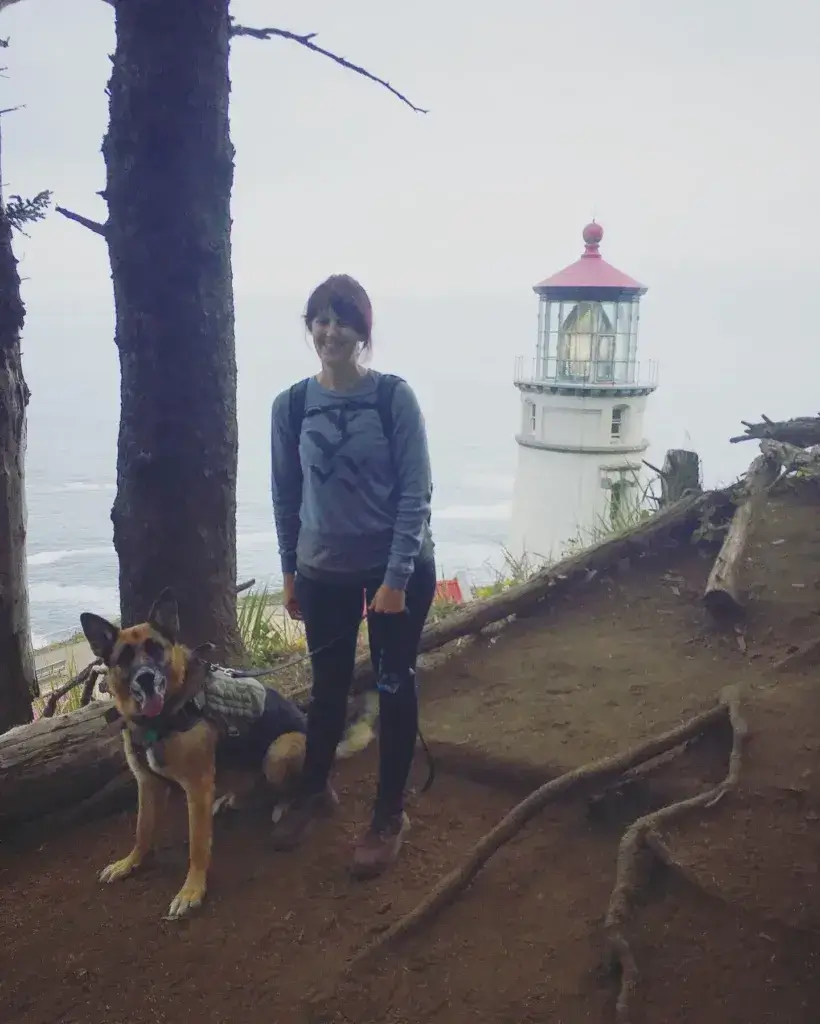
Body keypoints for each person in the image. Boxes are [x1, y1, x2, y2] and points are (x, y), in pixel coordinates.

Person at [269, 273, 436, 879]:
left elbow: (417, 494)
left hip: (397, 569)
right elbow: (286, 496)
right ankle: (316, 790)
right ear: (310, 328)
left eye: (343, 320)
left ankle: (389, 814)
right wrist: (290, 572)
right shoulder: (290, 406)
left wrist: (394, 579)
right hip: (324, 572)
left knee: (394, 686)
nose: (331, 330)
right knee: (327, 687)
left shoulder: (393, 398)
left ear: (363, 332)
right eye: (321, 319)